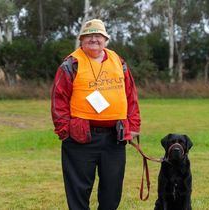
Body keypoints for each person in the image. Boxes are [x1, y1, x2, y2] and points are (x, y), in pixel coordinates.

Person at [51, 19, 141, 210]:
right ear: (81, 40)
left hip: (114, 138)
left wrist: (133, 126)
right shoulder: (70, 64)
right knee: (78, 191)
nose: (94, 39)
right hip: (80, 137)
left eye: (98, 35)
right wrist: (65, 131)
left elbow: (130, 95)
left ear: (105, 39)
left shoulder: (119, 62)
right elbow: (59, 100)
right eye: (89, 35)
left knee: (112, 190)